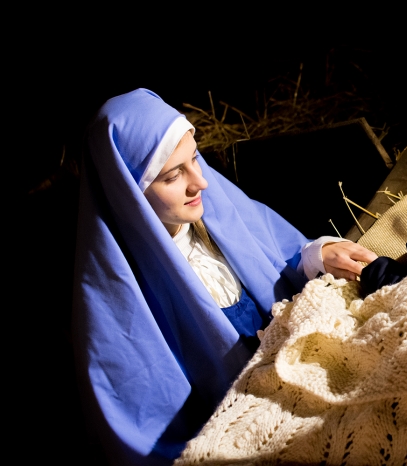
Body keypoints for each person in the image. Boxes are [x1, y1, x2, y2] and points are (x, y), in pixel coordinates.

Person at [72, 88, 377, 466]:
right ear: (129, 194)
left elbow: (279, 248)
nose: (200, 182)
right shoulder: (117, 293)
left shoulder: (211, 206)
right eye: (172, 176)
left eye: (195, 158)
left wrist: (318, 254)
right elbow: (144, 414)